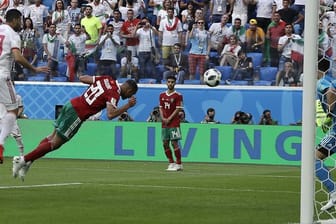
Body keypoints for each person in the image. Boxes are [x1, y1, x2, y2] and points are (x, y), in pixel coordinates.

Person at [12, 75, 138, 180]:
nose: (127, 97)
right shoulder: (114, 93)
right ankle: (23, 160)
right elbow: (110, 114)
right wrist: (128, 106)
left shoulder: (106, 79)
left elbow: (83, 78)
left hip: (71, 104)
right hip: (78, 114)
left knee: (51, 137)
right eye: (130, 95)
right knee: (55, 144)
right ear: (129, 91)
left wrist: (96, 92)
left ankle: (29, 161)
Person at [0, 9, 49, 164]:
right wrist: (33, 69)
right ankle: (0, 145)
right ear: (14, 20)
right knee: (13, 110)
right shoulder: (13, 35)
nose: (21, 23)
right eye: (20, 20)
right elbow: (17, 56)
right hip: (2, 75)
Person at [159, 75, 184, 171]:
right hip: (164, 123)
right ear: (166, 82)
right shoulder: (162, 95)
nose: (170, 83)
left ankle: (179, 163)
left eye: (172, 82)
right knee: (165, 143)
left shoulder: (178, 95)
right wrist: (163, 118)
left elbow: (178, 109)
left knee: (174, 143)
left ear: (175, 83)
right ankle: (171, 162)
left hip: (174, 122)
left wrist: (169, 118)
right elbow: (161, 108)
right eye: (169, 82)